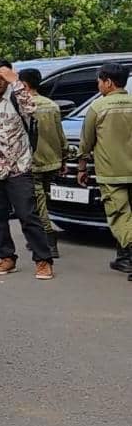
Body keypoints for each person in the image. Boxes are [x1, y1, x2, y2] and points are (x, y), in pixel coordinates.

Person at [0, 59, 54, 280]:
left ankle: (43, 260)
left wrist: (15, 80)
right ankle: (7, 257)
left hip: (17, 168)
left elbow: (31, 107)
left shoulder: (18, 100)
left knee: (28, 215)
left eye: (2, 78)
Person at [77, 63, 132, 277]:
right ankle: (123, 259)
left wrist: (82, 168)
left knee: (120, 217)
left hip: (111, 173)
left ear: (108, 82)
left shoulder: (98, 108)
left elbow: (86, 142)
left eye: (99, 81)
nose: (98, 85)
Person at [19, 68, 68, 259]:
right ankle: (39, 238)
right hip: (52, 161)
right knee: (43, 201)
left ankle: (48, 240)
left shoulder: (24, 107)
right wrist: (63, 158)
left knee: (37, 205)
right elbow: (60, 135)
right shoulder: (52, 105)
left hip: (34, 162)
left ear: (24, 84)